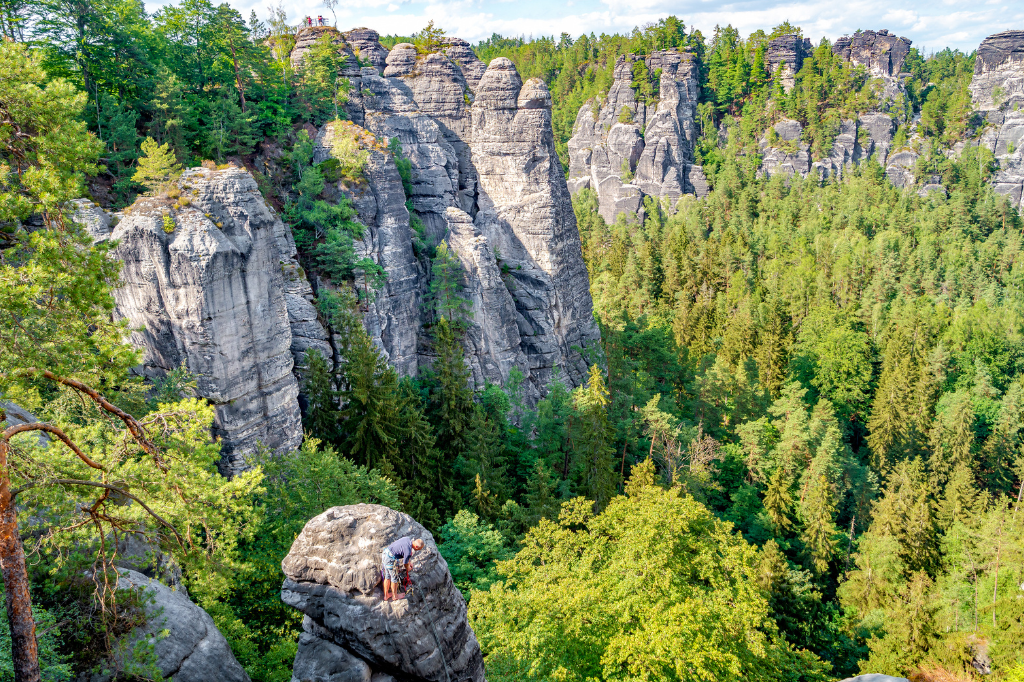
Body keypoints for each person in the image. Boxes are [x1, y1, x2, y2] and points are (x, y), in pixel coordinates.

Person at [381, 536, 424, 601]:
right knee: (394, 578)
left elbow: (406, 555)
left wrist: (409, 563)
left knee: (387, 576)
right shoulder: (408, 550)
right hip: (390, 559)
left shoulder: (407, 539)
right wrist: (408, 568)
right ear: (416, 547)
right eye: (419, 549)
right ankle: (395, 596)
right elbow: (405, 563)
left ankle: (386, 595)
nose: (418, 550)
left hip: (385, 554)